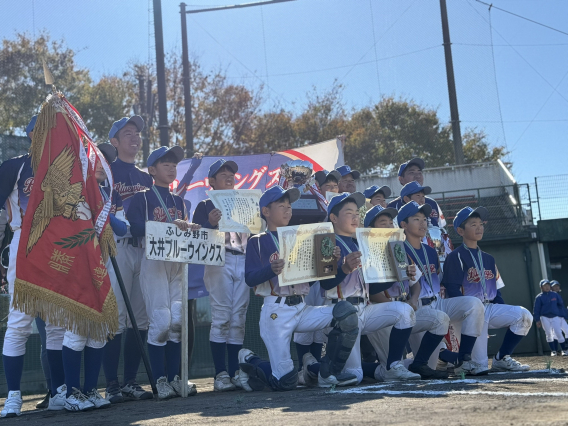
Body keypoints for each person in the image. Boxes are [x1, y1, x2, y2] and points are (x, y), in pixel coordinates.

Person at [238, 186, 360, 390]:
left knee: (345, 313)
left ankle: (327, 372)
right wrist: (270, 269)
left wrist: (332, 263)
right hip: (275, 311)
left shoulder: (300, 239)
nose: (288, 210)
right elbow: (250, 278)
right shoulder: (258, 241)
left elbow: (312, 282)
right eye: (281, 206)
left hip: (301, 307)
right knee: (285, 382)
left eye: (289, 206)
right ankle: (250, 360)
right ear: (266, 211)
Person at [1, 116, 67, 418]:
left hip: (56, 248)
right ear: (30, 134)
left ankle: (59, 392)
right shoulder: (14, 166)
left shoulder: (64, 169)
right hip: (24, 243)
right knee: (20, 320)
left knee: (56, 324)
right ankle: (13, 395)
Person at [319, 193, 419, 384]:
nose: (355, 217)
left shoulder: (362, 243)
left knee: (404, 311)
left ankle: (391, 367)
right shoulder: (327, 242)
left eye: (357, 212)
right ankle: (313, 368)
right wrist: (344, 268)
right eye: (349, 213)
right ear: (333, 218)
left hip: (366, 308)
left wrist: (401, 275)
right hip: (341, 313)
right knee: (354, 376)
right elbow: (326, 284)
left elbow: (373, 287)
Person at [128, 146, 200, 399]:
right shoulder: (142, 198)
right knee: (161, 320)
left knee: (178, 321)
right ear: (152, 170)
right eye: (165, 164)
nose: (171, 168)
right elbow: (133, 228)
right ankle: (159, 381)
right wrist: (165, 225)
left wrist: (190, 228)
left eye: (174, 164)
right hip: (153, 261)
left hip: (177, 262)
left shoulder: (179, 201)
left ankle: (175, 378)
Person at [61, 144, 127, 411]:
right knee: (76, 331)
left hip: (103, 266)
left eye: (106, 162)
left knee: (97, 333)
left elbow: (122, 228)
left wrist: (105, 213)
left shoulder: (108, 194)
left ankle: (89, 391)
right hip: (76, 265)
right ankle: (71, 394)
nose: (102, 165)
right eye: (95, 159)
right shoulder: (72, 189)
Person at [399, 202, 487, 375]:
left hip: (437, 302)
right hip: (415, 309)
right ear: (403, 224)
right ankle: (388, 367)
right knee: (425, 368)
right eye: (416, 219)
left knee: (474, 304)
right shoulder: (399, 250)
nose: (423, 223)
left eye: (424, 219)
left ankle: (463, 359)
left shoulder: (431, 251)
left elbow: (438, 277)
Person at [363, 205, 449, 380]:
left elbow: (416, 283)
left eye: (389, 222)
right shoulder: (366, 254)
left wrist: (413, 299)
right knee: (391, 370)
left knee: (440, 319)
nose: (388, 226)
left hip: (405, 309)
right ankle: (354, 369)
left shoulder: (398, 249)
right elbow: (370, 294)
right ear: (371, 229)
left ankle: (418, 363)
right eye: (382, 222)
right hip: (381, 313)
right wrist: (395, 308)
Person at [442, 206, 532, 372]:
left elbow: (496, 290)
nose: (479, 227)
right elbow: (452, 290)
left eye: (481, 224)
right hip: (470, 312)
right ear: (460, 231)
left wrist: (503, 310)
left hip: (489, 307)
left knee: (524, 316)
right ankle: (446, 359)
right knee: (479, 367)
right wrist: (466, 315)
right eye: (473, 224)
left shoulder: (488, 258)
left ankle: (502, 358)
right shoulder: (455, 257)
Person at [103, 116, 154, 403]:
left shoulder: (146, 177)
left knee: (140, 318)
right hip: (117, 247)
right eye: (127, 133)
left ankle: (131, 382)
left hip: (144, 248)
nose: (134, 138)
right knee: (117, 317)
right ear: (114, 141)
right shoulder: (108, 172)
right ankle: (111, 384)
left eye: (137, 134)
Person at [192, 159, 250, 391]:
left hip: (243, 258)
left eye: (231, 174)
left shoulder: (245, 203)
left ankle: (235, 371)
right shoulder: (205, 204)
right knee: (222, 316)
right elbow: (196, 237)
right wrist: (210, 224)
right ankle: (220, 374)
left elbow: (255, 232)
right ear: (211, 181)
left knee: (239, 318)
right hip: (219, 260)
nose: (228, 177)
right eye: (222, 174)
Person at [387, 158, 446, 228]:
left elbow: (441, 229)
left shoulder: (432, 203)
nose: (417, 176)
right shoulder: (392, 206)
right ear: (401, 179)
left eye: (419, 172)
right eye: (412, 172)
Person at [534, 279, 567, 356]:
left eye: (548, 285)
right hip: (544, 317)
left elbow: (561, 304)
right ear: (541, 287)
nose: (547, 287)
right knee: (548, 333)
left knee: (558, 332)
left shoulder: (555, 295)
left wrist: (559, 313)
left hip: (555, 316)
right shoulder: (539, 297)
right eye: (545, 286)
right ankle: (553, 351)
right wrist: (537, 320)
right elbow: (536, 309)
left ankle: (564, 350)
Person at [550, 280, 568, 351]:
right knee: (555, 334)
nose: (557, 287)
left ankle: (565, 349)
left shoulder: (559, 295)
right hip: (554, 317)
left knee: (567, 331)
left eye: (557, 286)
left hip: (561, 317)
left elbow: (562, 308)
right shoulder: (550, 296)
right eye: (554, 286)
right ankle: (555, 351)